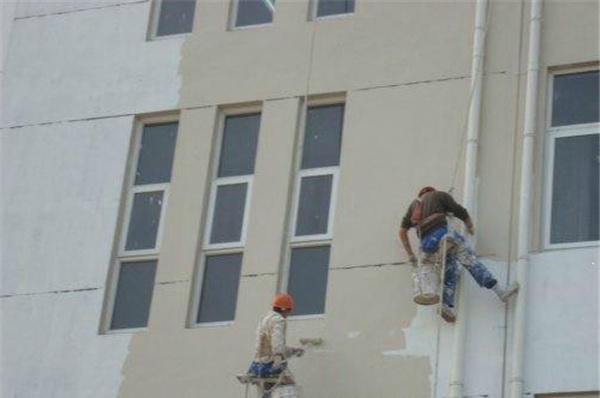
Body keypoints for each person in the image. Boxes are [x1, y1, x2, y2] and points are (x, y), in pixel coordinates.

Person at [398, 186, 519, 323]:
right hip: (442, 236)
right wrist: (470, 227)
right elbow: (460, 211)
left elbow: (402, 232)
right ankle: (500, 291)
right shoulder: (439, 195)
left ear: (421, 195)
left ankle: (446, 305)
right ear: (432, 191)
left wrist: (411, 255)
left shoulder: (414, 206)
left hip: (427, 247)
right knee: (469, 260)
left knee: (451, 270)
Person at [247, 293, 304, 397]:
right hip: (270, 365)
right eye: (289, 310)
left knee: (268, 390)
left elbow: (265, 346)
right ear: (283, 309)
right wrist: (278, 363)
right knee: (289, 386)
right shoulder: (279, 321)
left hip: (258, 365)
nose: (288, 314)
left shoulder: (264, 320)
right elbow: (278, 347)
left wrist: (293, 350)